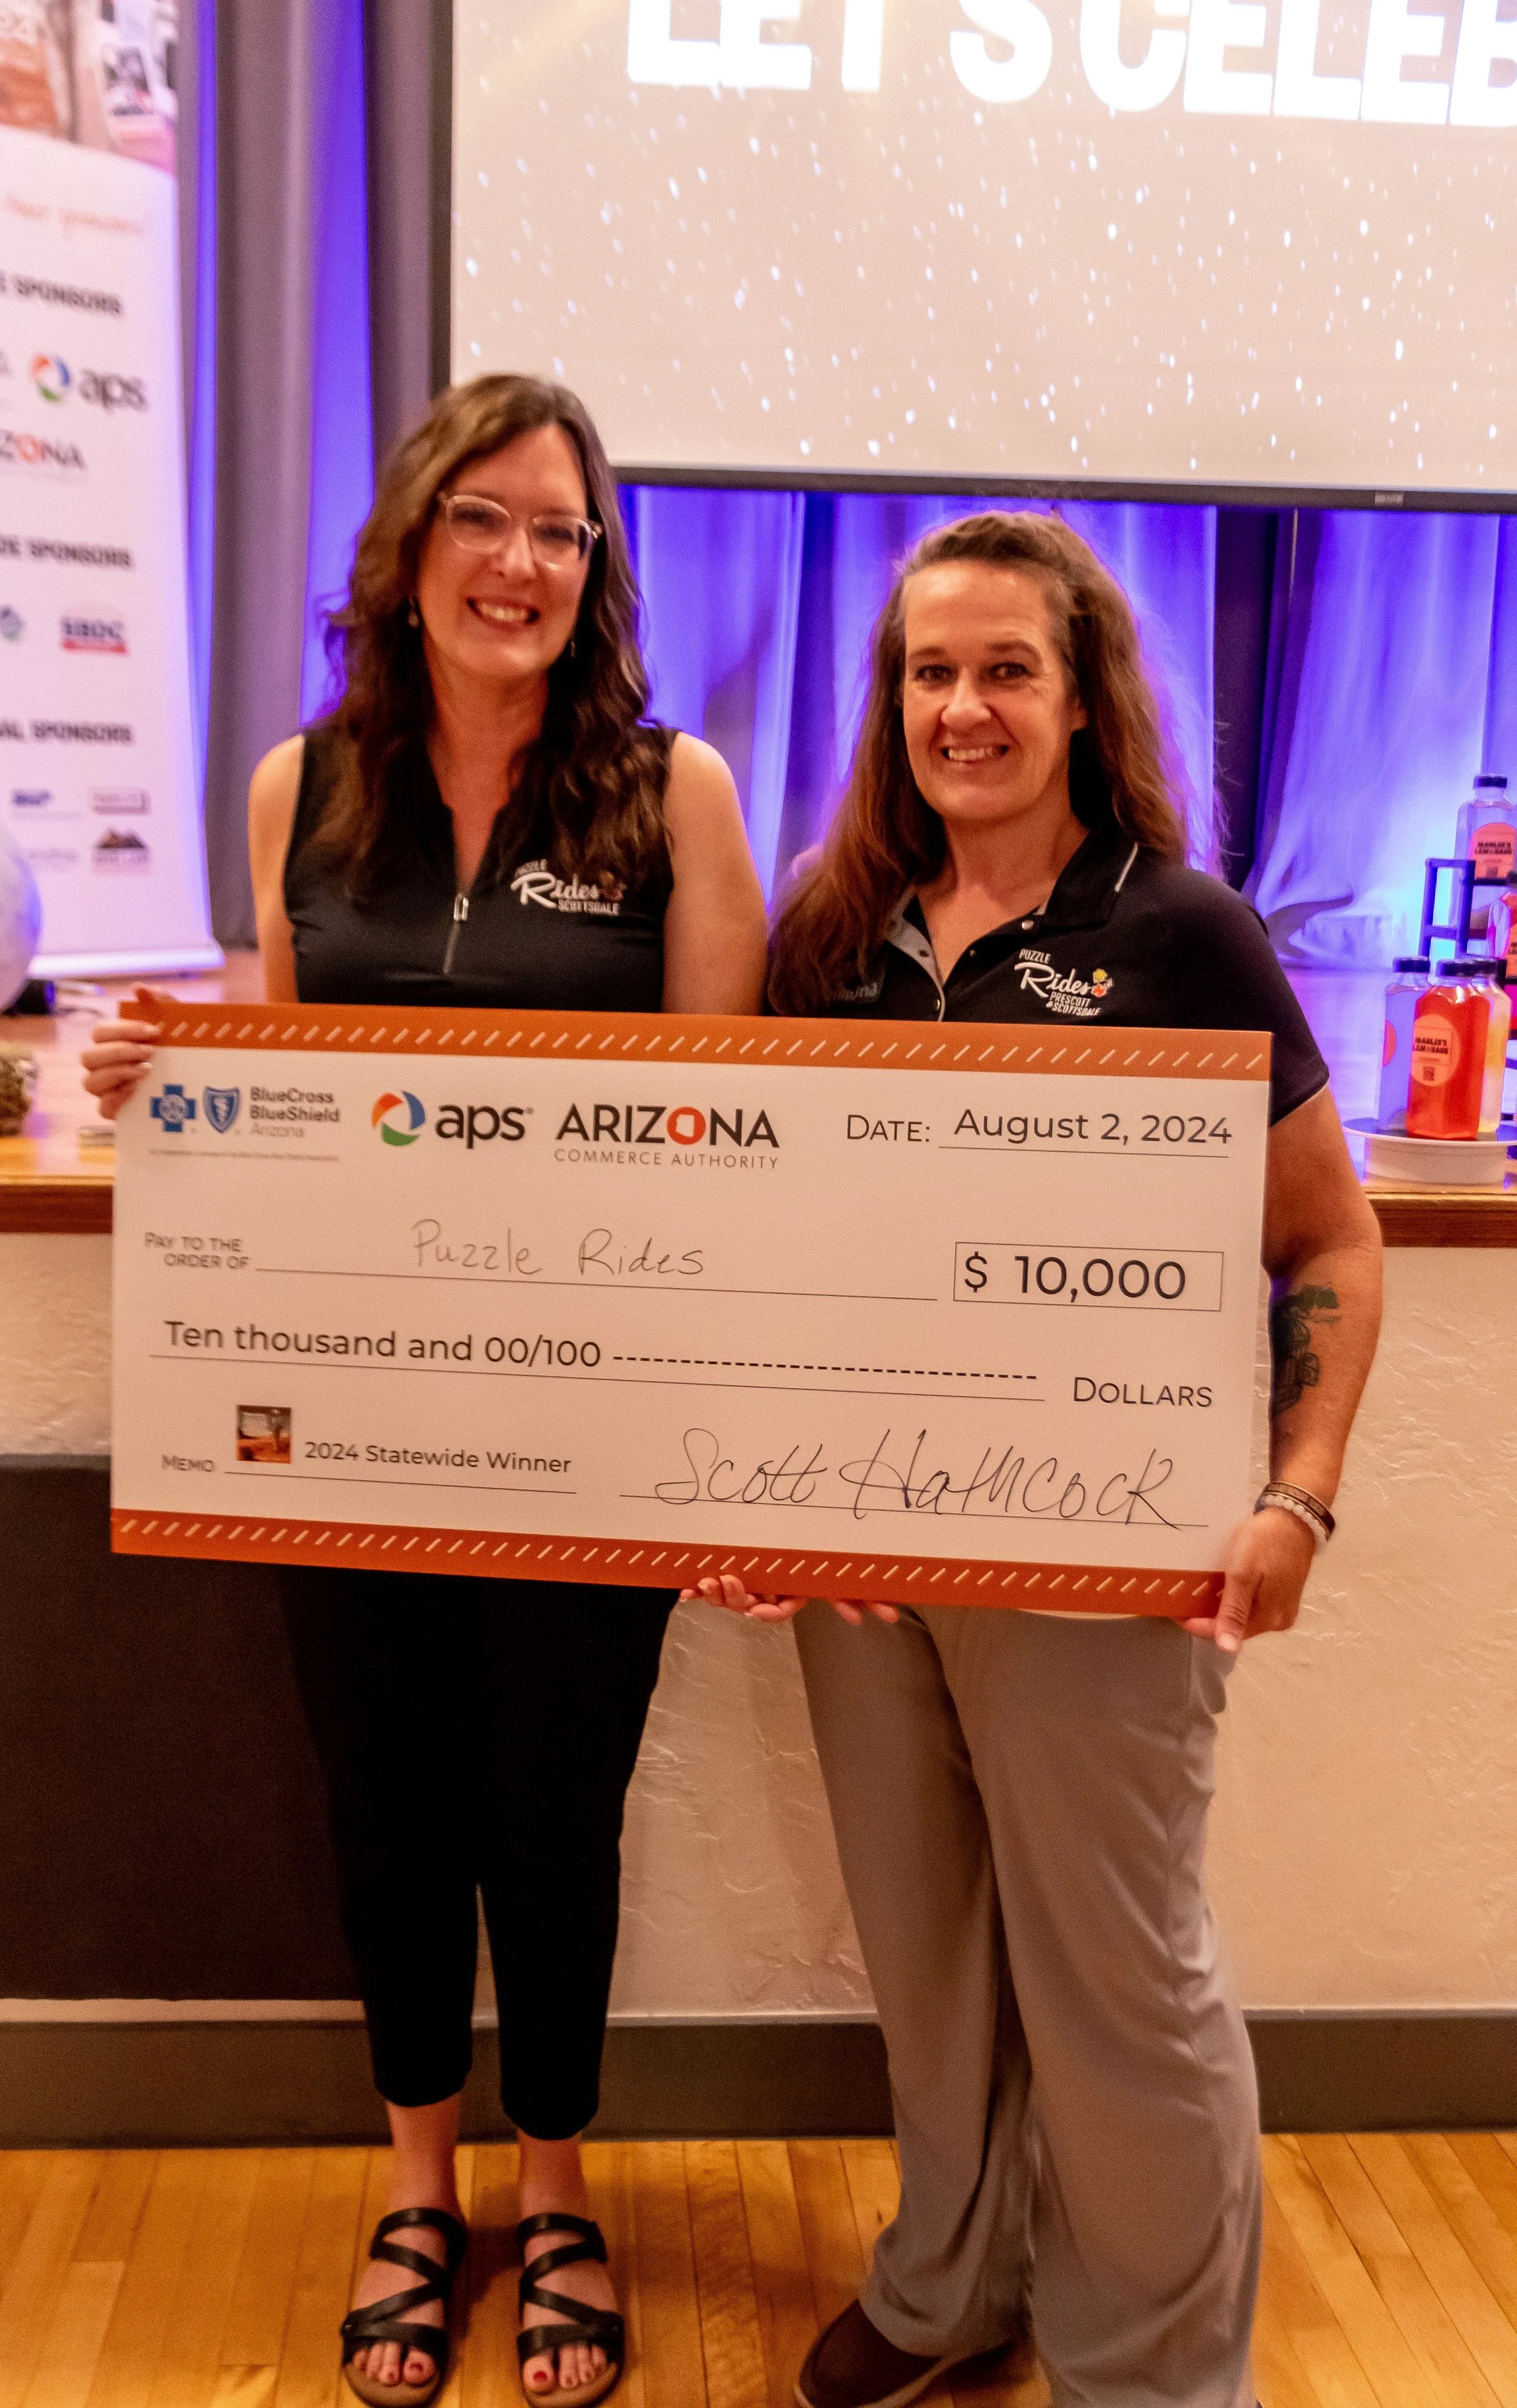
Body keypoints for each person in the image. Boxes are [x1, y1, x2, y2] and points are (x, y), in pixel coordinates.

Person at [83, 372, 768, 2408]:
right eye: (488, 518)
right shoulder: (306, 788)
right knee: (384, 1813)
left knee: (551, 1815)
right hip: (341, 1409)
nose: (524, 564)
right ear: (410, 544)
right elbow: (283, 1080)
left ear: (595, 573)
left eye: (563, 532)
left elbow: (728, 1132)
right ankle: (416, 2183)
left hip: (589, 1422)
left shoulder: (677, 794)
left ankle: (555, 2185)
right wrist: (167, 1076)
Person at [687, 510, 1382, 2408]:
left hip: (1100, 1557)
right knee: (923, 1947)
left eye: (1005, 669)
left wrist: (1294, 1489)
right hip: (862, 1560)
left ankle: (1154, 2374)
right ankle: (947, 2283)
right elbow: (763, 1238)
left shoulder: (1182, 932)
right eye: (929, 670)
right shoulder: (831, 928)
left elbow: (1325, 1238)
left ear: (1082, 702)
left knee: (1114, 1970)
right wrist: (742, 1485)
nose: (963, 706)